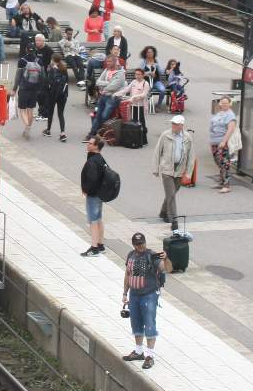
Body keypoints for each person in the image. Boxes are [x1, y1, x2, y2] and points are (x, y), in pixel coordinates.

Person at [121, 232, 171, 369]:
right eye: (137, 244)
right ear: (133, 245)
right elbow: (127, 274)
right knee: (135, 322)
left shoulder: (152, 255)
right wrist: (125, 293)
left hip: (149, 294)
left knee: (149, 323)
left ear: (145, 242)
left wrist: (166, 259)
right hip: (134, 295)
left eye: (142, 243)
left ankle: (150, 355)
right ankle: (138, 352)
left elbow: (167, 269)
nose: (140, 246)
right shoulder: (131, 255)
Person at [153, 115, 192, 229]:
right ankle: (174, 221)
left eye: (176, 124)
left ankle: (163, 212)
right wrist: (156, 168)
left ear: (181, 125)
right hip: (167, 170)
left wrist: (188, 173)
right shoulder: (165, 135)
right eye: (172, 123)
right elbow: (157, 151)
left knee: (172, 194)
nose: (173, 126)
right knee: (171, 195)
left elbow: (191, 156)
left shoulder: (187, 138)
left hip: (179, 170)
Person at [80, 136, 110, 256]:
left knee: (93, 221)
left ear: (96, 146)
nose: (88, 144)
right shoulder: (100, 159)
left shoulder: (92, 161)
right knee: (98, 219)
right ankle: (100, 244)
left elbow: (92, 179)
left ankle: (94, 247)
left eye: (90, 143)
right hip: (100, 194)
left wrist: (86, 190)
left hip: (93, 195)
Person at [87, 55, 126, 139]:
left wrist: (105, 86)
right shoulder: (106, 70)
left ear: (115, 62)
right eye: (107, 62)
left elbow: (114, 86)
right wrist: (108, 82)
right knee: (97, 115)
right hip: (103, 96)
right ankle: (92, 134)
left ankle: (100, 133)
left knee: (104, 116)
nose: (107, 63)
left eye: (109, 62)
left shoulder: (121, 73)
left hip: (113, 98)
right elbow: (98, 82)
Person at [13, 47, 44, 139]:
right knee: (30, 109)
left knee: (22, 109)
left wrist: (14, 89)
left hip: (24, 88)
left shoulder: (22, 61)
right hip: (34, 88)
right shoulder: (39, 61)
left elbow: (18, 77)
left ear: (26, 50)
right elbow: (43, 76)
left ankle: (27, 126)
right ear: (34, 51)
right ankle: (28, 128)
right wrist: (39, 87)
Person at [208, 96, 238, 192]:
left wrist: (224, 141)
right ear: (219, 103)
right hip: (214, 141)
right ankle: (221, 182)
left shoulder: (230, 115)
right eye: (222, 103)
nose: (224, 104)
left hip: (222, 142)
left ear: (230, 104)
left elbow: (230, 129)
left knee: (224, 163)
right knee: (218, 162)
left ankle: (226, 185)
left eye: (226, 103)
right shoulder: (219, 113)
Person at [41, 53, 71, 142]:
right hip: (63, 94)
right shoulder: (64, 68)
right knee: (60, 114)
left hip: (53, 94)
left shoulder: (51, 69)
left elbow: (47, 82)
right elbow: (67, 81)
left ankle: (48, 130)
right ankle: (62, 133)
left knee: (51, 112)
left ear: (53, 60)